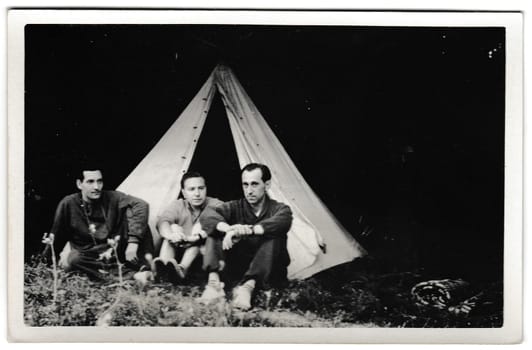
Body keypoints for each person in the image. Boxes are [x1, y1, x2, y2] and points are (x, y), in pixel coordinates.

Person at [199, 163, 293, 310]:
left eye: (254, 184)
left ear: (267, 185)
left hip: (268, 270)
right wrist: (229, 229)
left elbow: (283, 221)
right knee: (214, 230)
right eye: (245, 185)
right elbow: (207, 215)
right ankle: (214, 285)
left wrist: (248, 230)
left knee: (274, 235)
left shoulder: (279, 209)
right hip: (239, 267)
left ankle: (247, 287)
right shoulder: (235, 206)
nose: (249, 191)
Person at [47, 164, 153, 280]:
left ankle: (143, 267)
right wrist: (45, 263)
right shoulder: (68, 203)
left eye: (99, 181)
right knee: (74, 258)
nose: (97, 187)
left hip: (114, 249)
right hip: (89, 256)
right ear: (79, 184)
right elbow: (56, 236)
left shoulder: (113, 197)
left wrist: (133, 243)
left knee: (137, 218)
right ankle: (134, 276)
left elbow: (141, 205)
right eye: (90, 182)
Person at [154, 171, 223, 283]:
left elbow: (220, 217)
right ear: (184, 193)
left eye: (201, 188)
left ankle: (181, 270)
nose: (197, 193)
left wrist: (194, 237)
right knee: (174, 228)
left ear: (206, 189)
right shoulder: (178, 204)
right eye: (191, 189)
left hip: (202, 256)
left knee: (200, 233)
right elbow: (163, 221)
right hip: (177, 252)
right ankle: (165, 269)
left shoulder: (214, 203)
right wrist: (172, 235)